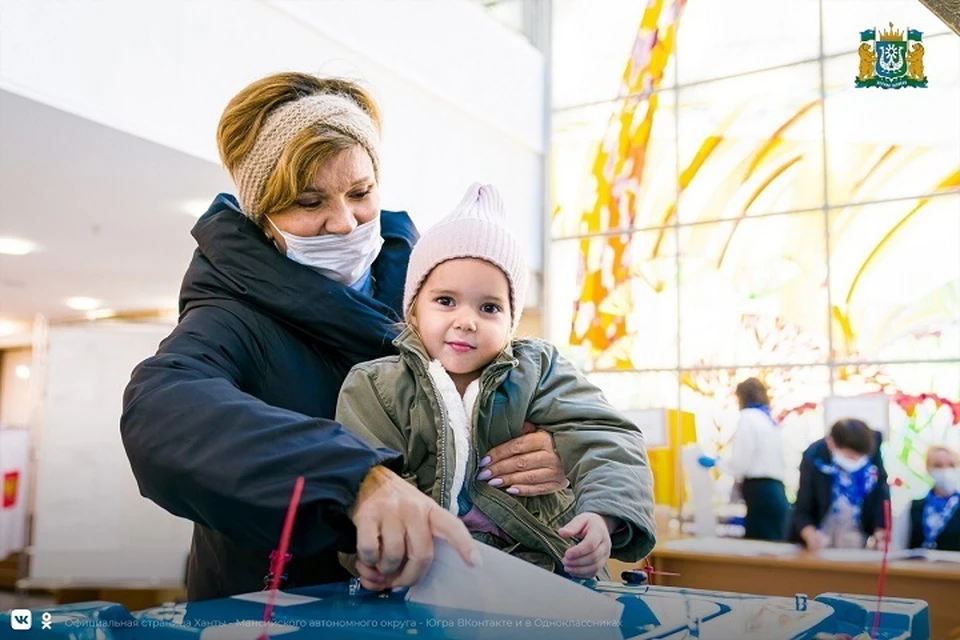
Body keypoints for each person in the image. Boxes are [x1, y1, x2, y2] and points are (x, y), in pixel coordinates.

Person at [120, 72, 568, 600]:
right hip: (286, 613)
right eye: (309, 203)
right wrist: (354, 478)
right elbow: (160, 411)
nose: (343, 222)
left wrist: (550, 445)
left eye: (360, 193)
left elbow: (513, 387)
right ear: (262, 216)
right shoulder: (231, 315)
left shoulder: (432, 290)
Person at [335, 183, 657, 588]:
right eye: (446, 301)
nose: (466, 320)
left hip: (544, 574)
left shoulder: (538, 371)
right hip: (423, 580)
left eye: (489, 307)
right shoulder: (375, 387)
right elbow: (362, 483)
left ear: (511, 322)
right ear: (414, 306)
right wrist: (377, 554)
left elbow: (608, 438)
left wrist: (603, 517)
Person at [699, 378, 788, 540]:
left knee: (759, 551)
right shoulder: (767, 419)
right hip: (776, 491)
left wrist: (716, 462)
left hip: (760, 492)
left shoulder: (748, 418)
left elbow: (740, 462)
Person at [790, 418, 890, 551]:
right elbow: (803, 506)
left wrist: (880, 533)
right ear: (831, 444)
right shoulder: (814, 456)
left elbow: (881, 494)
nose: (856, 461)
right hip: (823, 538)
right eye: (850, 456)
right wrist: (810, 534)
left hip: (859, 539)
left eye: (860, 457)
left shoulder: (872, 447)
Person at [908, 445, 960, 551]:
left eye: (951, 465)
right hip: (917, 566)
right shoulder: (914, 507)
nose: (945, 471)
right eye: (938, 466)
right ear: (928, 469)